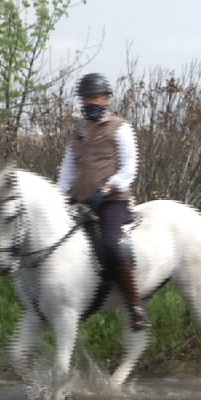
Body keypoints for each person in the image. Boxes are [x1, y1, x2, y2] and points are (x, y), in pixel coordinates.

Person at [57, 73, 148, 331]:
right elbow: (67, 172)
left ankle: (135, 305)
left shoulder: (120, 127)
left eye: (96, 97)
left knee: (110, 243)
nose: (91, 102)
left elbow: (130, 167)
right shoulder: (78, 133)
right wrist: (59, 196)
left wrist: (108, 188)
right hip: (81, 200)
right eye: (86, 98)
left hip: (112, 201)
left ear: (107, 98)